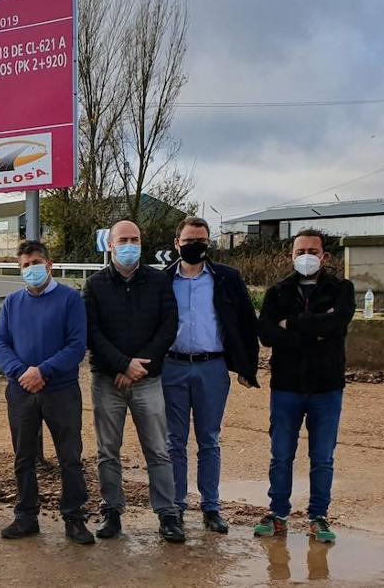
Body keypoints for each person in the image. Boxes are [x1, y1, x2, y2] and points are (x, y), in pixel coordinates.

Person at [84, 220, 184, 543]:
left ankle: (168, 514)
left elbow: (169, 326)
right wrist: (122, 364)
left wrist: (140, 364)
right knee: (107, 451)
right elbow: (92, 332)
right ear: (110, 245)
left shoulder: (158, 280)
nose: (130, 244)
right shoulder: (95, 284)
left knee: (158, 449)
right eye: (123, 239)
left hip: (148, 378)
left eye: (135, 239)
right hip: (107, 380)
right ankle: (111, 511)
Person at [254, 229, 354, 544]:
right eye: (300, 251)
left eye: (313, 250)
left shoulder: (341, 289)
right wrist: (316, 327)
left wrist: (293, 323)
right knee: (281, 454)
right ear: (291, 256)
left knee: (322, 456)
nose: (306, 256)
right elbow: (267, 335)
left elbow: (337, 325)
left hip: (326, 388)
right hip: (286, 387)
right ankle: (277, 513)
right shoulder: (277, 292)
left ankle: (318, 516)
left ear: (324, 255)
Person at [162, 217, 260, 535]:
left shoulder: (227, 278)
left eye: (201, 240)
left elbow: (246, 322)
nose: (195, 246)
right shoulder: (162, 281)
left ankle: (211, 507)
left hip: (212, 368)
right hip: (172, 367)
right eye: (189, 241)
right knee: (174, 442)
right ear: (177, 244)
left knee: (209, 440)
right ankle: (175, 509)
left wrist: (247, 367)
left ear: (208, 243)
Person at [0, 240, 94, 544]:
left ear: (49, 265)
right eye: (25, 265)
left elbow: (76, 346)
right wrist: (21, 372)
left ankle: (74, 519)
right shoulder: (12, 303)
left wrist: (43, 371)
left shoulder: (69, 299)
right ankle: (26, 516)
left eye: (36, 263)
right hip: (21, 390)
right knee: (23, 456)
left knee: (70, 457)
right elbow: (1, 345)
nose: (31, 269)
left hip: (60, 390)